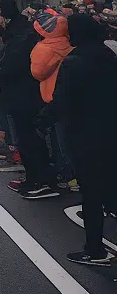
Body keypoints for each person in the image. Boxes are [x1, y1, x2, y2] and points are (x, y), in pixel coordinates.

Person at [50, 14, 117, 266]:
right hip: (111, 130)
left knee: (91, 194)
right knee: (111, 189)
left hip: (85, 133)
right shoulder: (109, 56)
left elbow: (61, 99)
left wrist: (43, 119)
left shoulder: (74, 61)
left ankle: (95, 249)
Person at [0, 0, 56, 199]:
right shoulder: (17, 33)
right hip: (21, 93)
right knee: (26, 138)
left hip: (24, 94)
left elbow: (13, 65)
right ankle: (35, 178)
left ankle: (40, 180)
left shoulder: (21, 36)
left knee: (29, 139)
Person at [30, 10, 74, 189]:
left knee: (59, 140)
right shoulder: (71, 44)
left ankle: (67, 174)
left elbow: (37, 72)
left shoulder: (43, 48)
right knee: (71, 139)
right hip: (72, 97)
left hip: (51, 97)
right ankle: (74, 174)